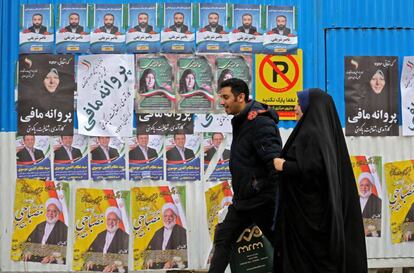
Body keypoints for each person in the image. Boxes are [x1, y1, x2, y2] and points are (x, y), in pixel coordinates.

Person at [273, 89, 367, 273]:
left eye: (299, 103)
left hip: (311, 218)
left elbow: (315, 169)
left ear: (311, 107)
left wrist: (284, 166)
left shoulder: (313, 134)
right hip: (309, 215)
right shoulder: (319, 133)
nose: (295, 107)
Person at [208, 78, 282, 273]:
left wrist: (276, 198)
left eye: (226, 97)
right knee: (223, 237)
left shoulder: (260, 122)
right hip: (243, 201)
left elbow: (274, 161)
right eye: (221, 97)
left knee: (282, 246)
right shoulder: (242, 120)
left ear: (241, 97)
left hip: (263, 200)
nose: (222, 102)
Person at [24, 198, 68, 263]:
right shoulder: (40, 226)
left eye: (54, 211)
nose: (50, 213)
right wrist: (28, 251)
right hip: (35, 261)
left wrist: (53, 257)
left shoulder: (64, 229)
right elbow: (29, 242)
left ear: (58, 213)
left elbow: (65, 252)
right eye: (48, 210)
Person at [86, 207, 129, 272]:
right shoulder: (100, 235)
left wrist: (114, 266)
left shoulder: (125, 237)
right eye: (109, 219)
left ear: (118, 221)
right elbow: (90, 251)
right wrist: (90, 260)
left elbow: (127, 259)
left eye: (113, 220)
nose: (110, 222)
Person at [146, 203, 187, 269]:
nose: (168, 219)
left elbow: (185, 253)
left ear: (175, 217)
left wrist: (172, 262)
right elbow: (149, 250)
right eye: (165, 216)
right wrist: (150, 258)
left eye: (171, 216)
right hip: (158, 269)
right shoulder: (158, 233)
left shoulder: (182, 232)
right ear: (163, 217)